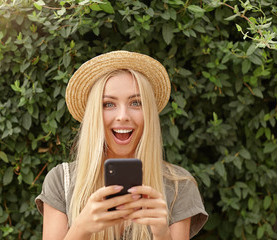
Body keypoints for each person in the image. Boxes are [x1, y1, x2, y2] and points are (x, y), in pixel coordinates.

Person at [35, 50, 208, 240]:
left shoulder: (178, 186)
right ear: (94, 114)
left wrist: (162, 234)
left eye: (136, 103)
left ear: (148, 112)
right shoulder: (62, 181)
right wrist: (81, 229)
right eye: (108, 104)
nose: (123, 115)